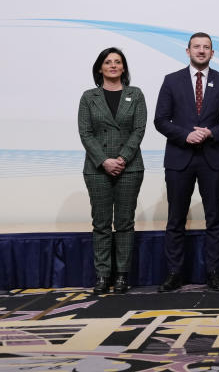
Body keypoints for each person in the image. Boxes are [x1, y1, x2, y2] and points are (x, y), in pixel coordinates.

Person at [154, 33, 219, 292]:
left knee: (215, 219)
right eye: (196, 47)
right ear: (187, 50)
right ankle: (174, 273)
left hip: (213, 158)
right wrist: (185, 134)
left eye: (206, 47)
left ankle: (214, 272)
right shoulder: (172, 81)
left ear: (213, 54)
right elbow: (161, 120)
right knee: (175, 219)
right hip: (180, 158)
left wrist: (211, 132)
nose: (201, 51)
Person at [77, 47, 146, 294]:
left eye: (118, 62)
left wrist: (121, 159)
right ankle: (102, 275)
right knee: (102, 223)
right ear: (100, 68)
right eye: (108, 62)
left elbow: (139, 130)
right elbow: (85, 133)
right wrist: (105, 161)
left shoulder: (135, 94)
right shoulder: (88, 97)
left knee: (125, 223)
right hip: (97, 169)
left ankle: (122, 276)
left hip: (129, 168)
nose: (113, 66)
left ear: (124, 68)